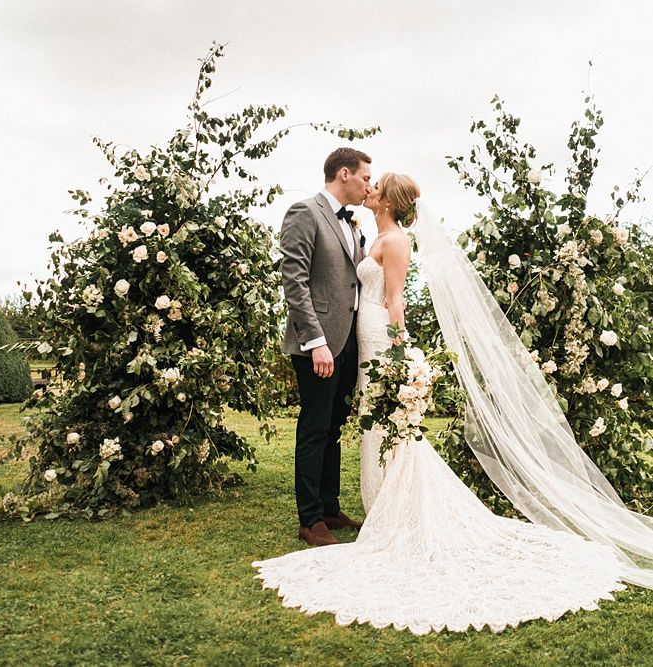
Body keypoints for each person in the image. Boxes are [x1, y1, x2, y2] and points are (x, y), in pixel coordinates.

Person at [254, 172, 653, 634]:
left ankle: (396, 507)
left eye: (376, 184)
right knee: (374, 424)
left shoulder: (396, 241)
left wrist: (401, 350)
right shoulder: (371, 232)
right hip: (358, 339)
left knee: (391, 425)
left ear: (387, 199)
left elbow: (396, 298)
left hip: (381, 335)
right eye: (369, 180)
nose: (370, 188)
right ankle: (368, 504)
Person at [280, 147, 371, 547]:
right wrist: (315, 342)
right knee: (315, 427)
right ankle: (310, 518)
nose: (369, 184)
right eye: (366, 177)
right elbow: (295, 283)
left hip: (349, 340)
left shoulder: (353, 224)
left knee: (334, 426)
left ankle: (330, 507)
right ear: (345, 174)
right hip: (317, 344)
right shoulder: (305, 212)